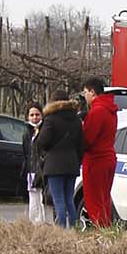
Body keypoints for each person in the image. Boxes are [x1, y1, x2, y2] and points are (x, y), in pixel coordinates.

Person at [35, 93, 85, 228]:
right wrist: (77, 160)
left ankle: (61, 232)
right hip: (72, 164)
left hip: (55, 165)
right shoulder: (76, 119)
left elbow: (43, 142)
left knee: (58, 200)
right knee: (69, 199)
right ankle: (74, 228)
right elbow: (81, 145)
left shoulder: (50, 119)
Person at [80, 75, 118, 228]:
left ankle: (99, 231)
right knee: (104, 199)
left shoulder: (97, 111)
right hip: (109, 157)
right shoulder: (111, 110)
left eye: (85, 92)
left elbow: (88, 139)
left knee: (94, 200)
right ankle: (106, 230)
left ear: (92, 92)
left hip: (96, 159)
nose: (85, 96)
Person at [23, 103, 48, 224]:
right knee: (33, 198)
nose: (34, 118)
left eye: (37, 114)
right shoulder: (27, 133)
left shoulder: (45, 131)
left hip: (42, 170)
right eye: (31, 115)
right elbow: (25, 152)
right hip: (31, 170)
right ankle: (33, 223)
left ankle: (41, 223)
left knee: (41, 199)